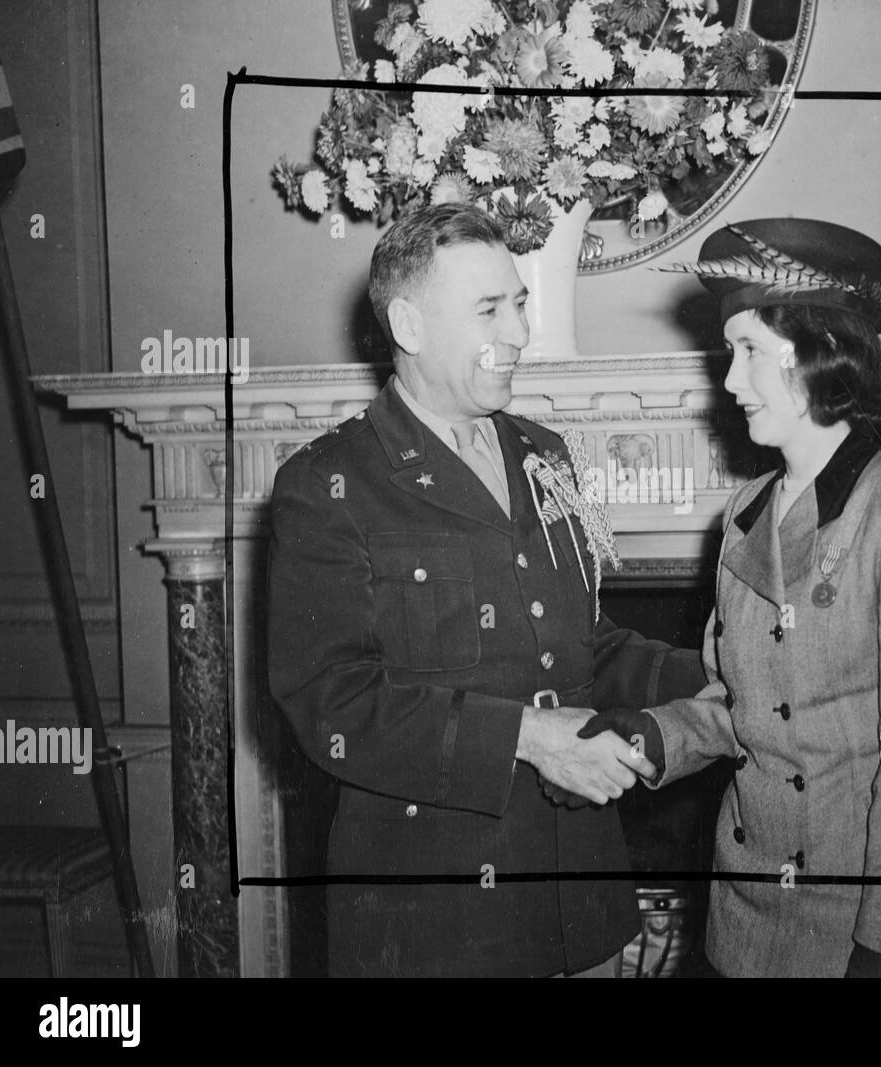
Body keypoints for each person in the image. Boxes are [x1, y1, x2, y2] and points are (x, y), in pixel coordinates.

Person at [266, 202, 706, 978]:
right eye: (489, 310)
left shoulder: (546, 453)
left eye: (521, 304)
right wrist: (530, 739)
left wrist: (722, 680)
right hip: (437, 922)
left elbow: (582, 643)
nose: (519, 334)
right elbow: (330, 698)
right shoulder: (329, 483)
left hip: (581, 901)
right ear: (407, 324)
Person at [583, 218, 881, 977]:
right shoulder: (746, 511)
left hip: (852, 934)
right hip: (740, 925)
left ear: (821, 353)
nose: (729, 383)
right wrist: (648, 737)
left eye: (750, 351)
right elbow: (740, 705)